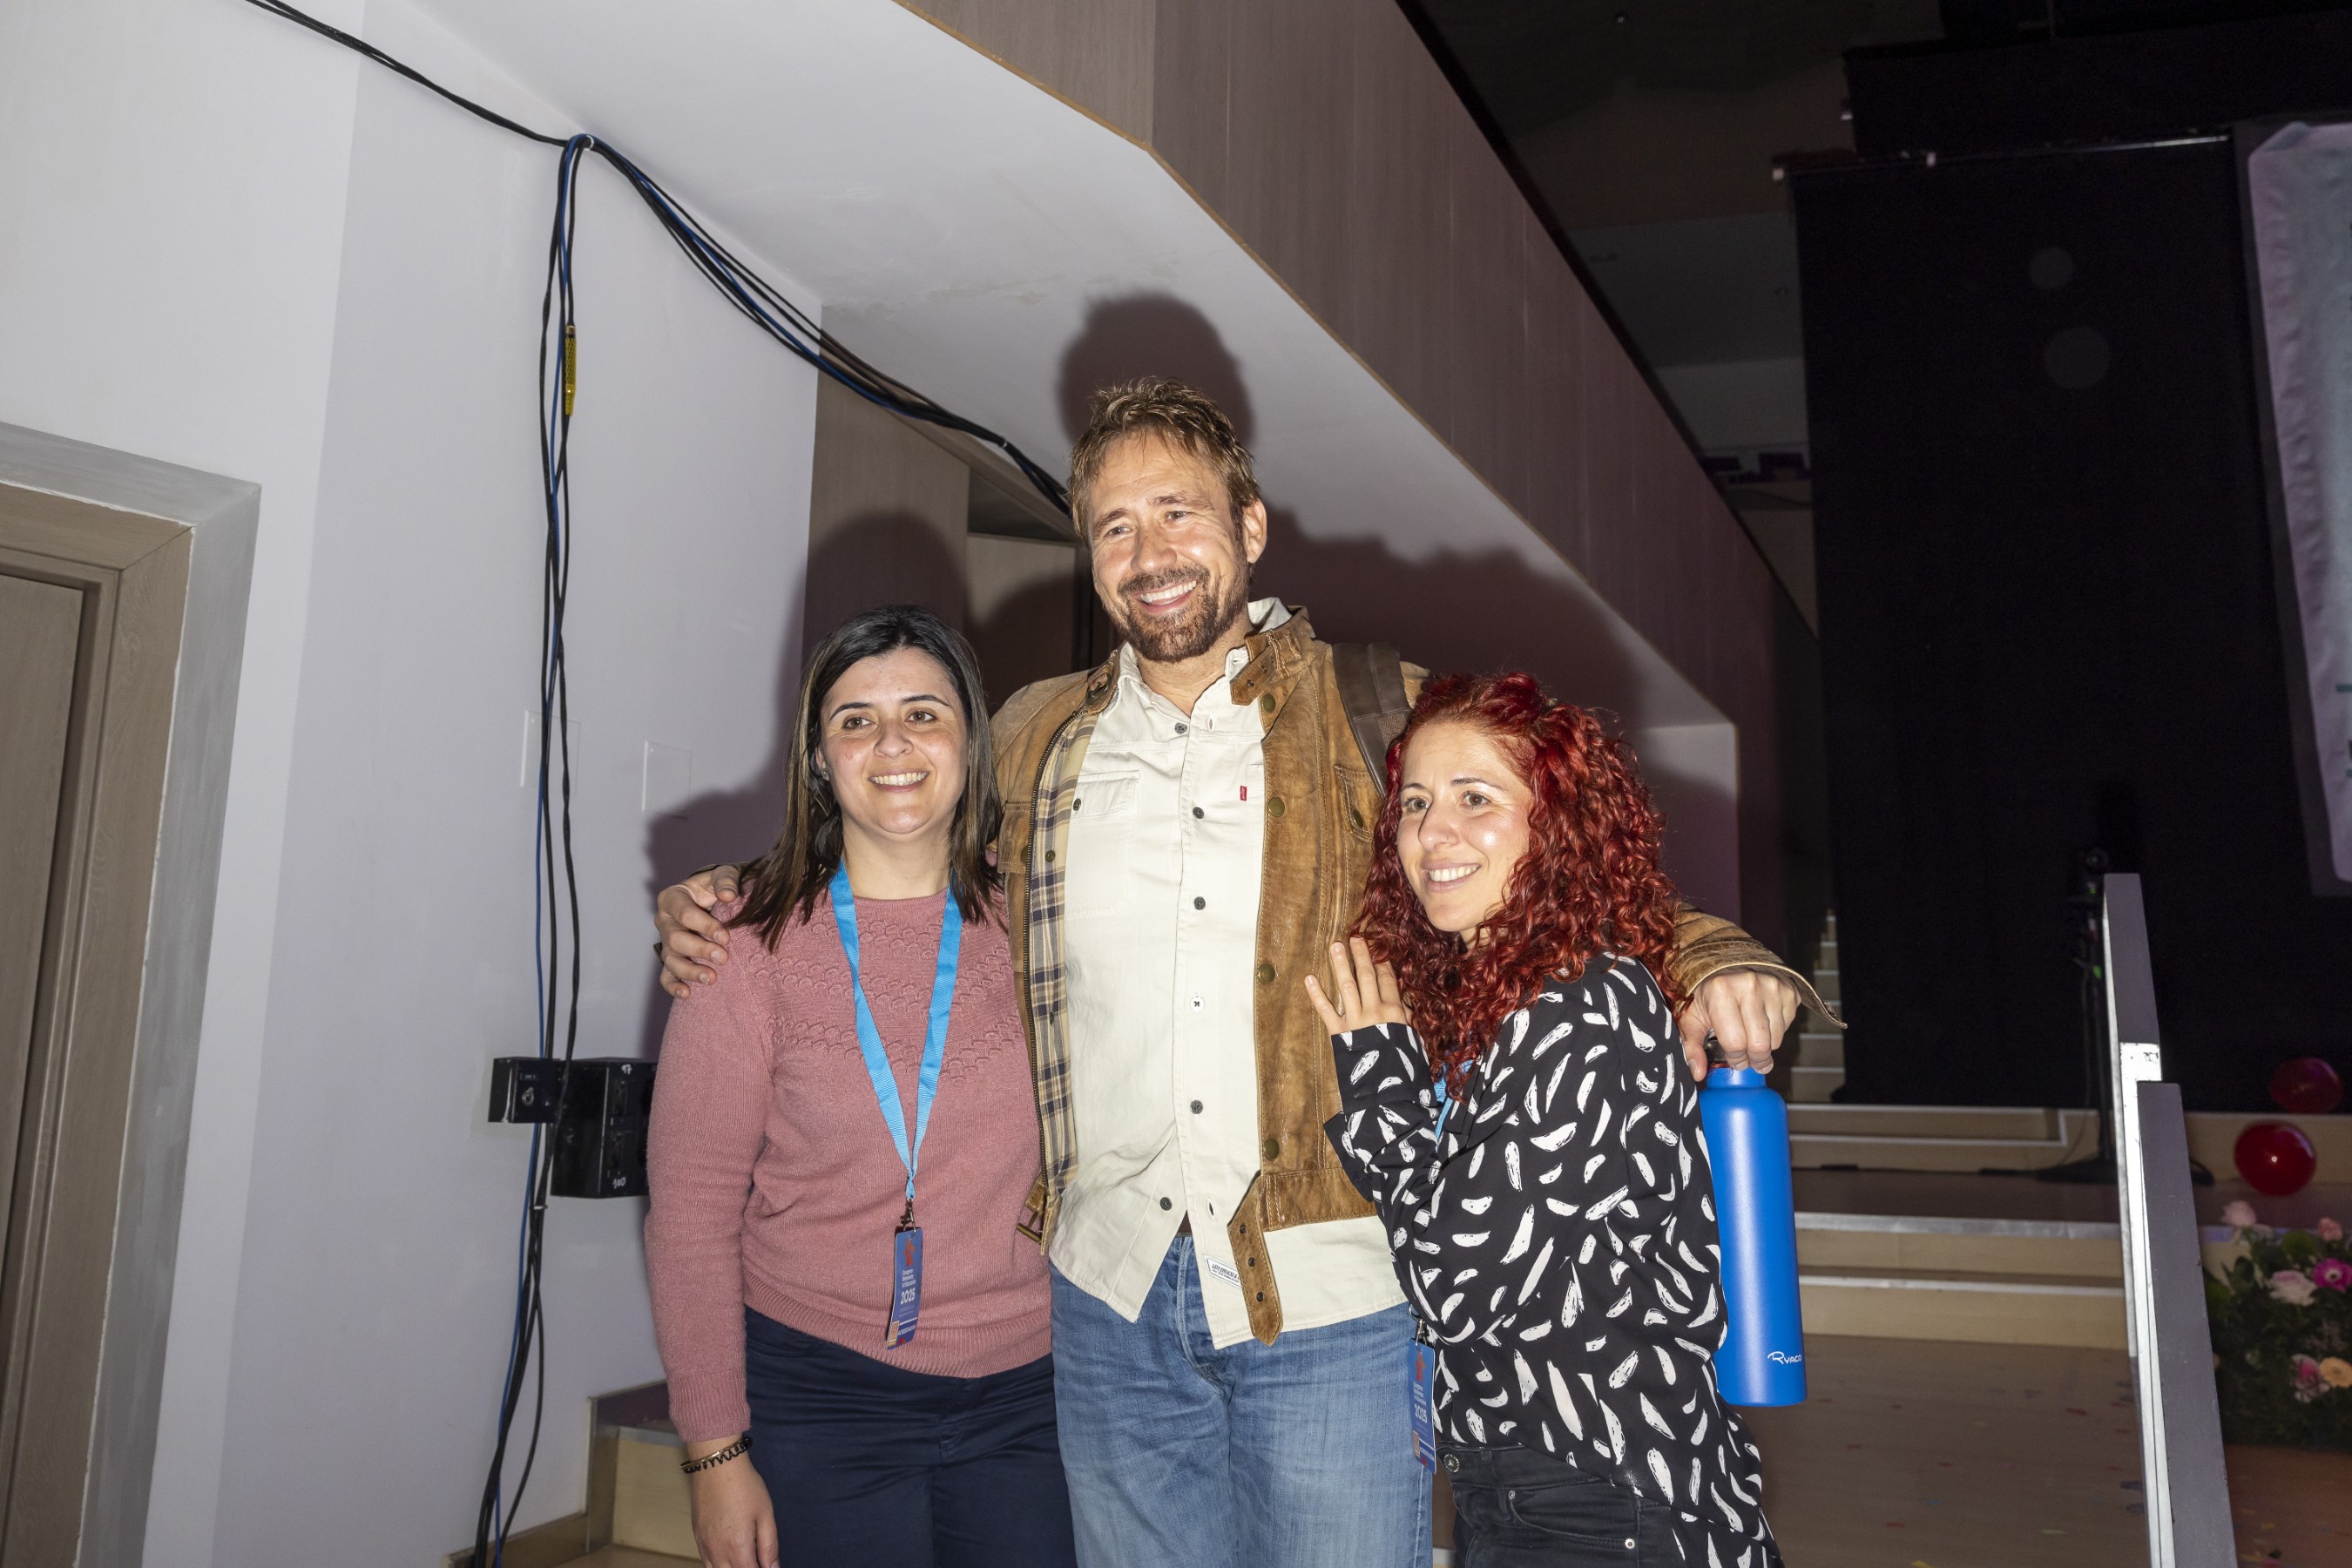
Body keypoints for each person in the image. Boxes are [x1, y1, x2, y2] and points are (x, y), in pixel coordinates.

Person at [654, 380, 1822, 1568]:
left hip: (1328, 1294)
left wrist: (1713, 955)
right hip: (1107, 1304)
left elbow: (1549, 856)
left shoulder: (1375, 707)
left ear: (1250, 525)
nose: (1149, 553)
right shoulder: (1036, 736)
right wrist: (724, 898)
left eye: (1179, 512)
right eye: (1115, 526)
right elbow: (898, 819)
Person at [1308, 671, 1781, 1567]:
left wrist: (1379, 1079)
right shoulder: (1511, 1002)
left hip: (1610, 1499)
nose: (1432, 833)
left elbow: (1455, 1285)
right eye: (1415, 803)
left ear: (1556, 826)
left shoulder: (1581, 1006)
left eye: (1475, 798)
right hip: (1541, 1487)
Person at [643, 605, 1076, 1568]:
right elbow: (691, 1216)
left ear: (971, 739)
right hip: (818, 1394)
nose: (892, 744)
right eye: (855, 720)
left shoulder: (1046, 916)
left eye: (923, 714)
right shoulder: (740, 946)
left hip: (1030, 1397)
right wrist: (714, 1451)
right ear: (818, 757)